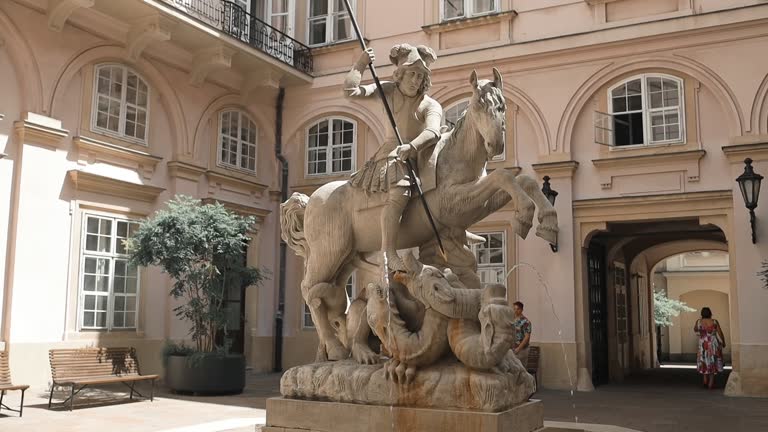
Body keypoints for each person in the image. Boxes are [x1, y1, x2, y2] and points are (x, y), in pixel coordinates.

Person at [343, 44, 443, 271]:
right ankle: (388, 251)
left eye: (420, 76)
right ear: (400, 74)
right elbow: (350, 92)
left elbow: (433, 131)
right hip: (392, 154)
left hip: (421, 155)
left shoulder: (429, 104)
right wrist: (360, 65)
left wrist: (412, 146)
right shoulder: (387, 91)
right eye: (412, 74)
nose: (416, 80)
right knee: (401, 189)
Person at [694, 307, 726, 389]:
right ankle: (711, 383)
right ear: (710, 313)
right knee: (712, 361)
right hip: (713, 343)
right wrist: (723, 341)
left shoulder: (698, 321)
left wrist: (702, 331)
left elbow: (695, 329)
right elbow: (720, 332)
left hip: (703, 344)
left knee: (704, 360)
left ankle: (705, 380)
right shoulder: (714, 321)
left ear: (702, 314)